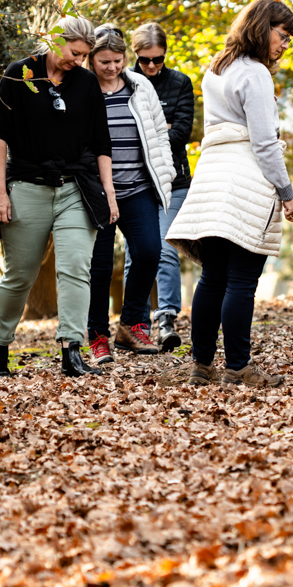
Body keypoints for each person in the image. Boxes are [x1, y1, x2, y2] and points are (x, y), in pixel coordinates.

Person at [165, 0, 293, 387]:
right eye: (282, 34)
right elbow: (263, 142)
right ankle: (239, 366)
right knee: (242, 280)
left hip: (212, 178)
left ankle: (201, 365)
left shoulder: (217, 67)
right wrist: (286, 192)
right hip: (245, 181)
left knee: (213, 276)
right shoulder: (256, 74)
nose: (285, 44)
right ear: (262, 27)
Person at [0, 16, 116, 378]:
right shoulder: (17, 75)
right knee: (20, 275)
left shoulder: (87, 84)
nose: (79, 60)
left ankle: (71, 352)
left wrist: (109, 192)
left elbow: (101, 142)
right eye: (75, 52)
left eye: (85, 55)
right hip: (27, 187)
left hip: (76, 189)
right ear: (55, 40)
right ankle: (0, 348)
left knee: (76, 268)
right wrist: (0, 192)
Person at [84, 24, 176, 365]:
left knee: (150, 251)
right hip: (96, 193)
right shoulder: (83, 89)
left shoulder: (141, 86)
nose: (111, 68)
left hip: (138, 187)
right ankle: (97, 336)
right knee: (100, 267)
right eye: (104, 61)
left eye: (117, 61)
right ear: (92, 60)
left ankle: (132, 325)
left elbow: (157, 134)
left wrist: (164, 174)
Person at [127, 22, 195, 352]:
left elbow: (181, 133)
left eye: (158, 59)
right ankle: (134, 323)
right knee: (136, 253)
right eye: (145, 60)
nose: (152, 66)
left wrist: (145, 135)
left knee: (166, 248)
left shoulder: (180, 83)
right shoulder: (123, 82)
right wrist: (158, 131)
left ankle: (165, 318)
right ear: (135, 56)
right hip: (135, 182)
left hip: (174, 180)